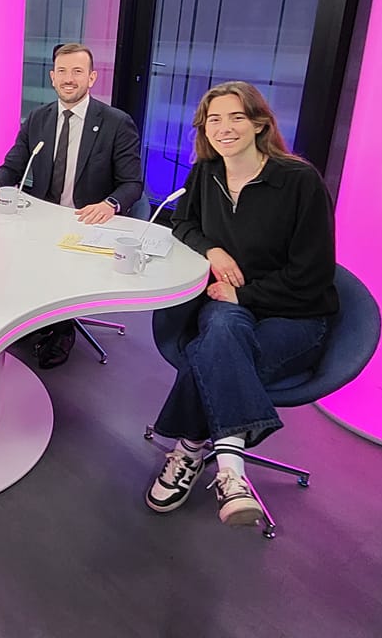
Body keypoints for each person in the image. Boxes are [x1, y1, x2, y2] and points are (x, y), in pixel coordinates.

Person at [145, 81, 337, 529]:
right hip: (227, 309)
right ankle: (232, 472)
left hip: (295, 315)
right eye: (214, 119)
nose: (224, 128)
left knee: (207, 352)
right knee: (225, 330)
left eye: (235, 117)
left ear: (258, 124)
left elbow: (312, 278)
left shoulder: (298, 182)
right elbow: (182, 223)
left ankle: (191, 449)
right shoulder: (205, 173)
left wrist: (243, 293)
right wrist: (213, 251)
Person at [0, 42, 143, 368]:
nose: (68, 78)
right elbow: (13, 165)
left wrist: (110, 204)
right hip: (42, 218)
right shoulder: (38, 119)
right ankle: (36, 319)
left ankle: (62, 329)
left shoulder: (116, 122)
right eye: (62, 71)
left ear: (92, 78)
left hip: (88, 223)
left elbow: (133, 183)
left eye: (77, 71)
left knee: (59, 269)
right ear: (52, 77)